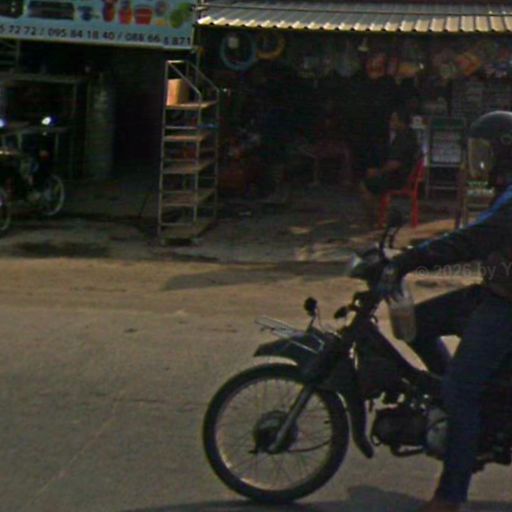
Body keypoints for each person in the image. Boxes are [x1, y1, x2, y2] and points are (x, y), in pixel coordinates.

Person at [376, 110, 512, 512]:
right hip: (494, 290)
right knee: (418, 322)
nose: (480, 160)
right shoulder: (505, 190)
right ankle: (448, 394)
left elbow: (472, 240)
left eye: (485, 151)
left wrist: (411, 260)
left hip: (507, 304)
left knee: (461, 389)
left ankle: (450, 496)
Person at [360, 107, 419, 226]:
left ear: (401, 122)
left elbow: (395, 164)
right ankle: (380, 215)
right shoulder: (410, 135)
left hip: (398, 178)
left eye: (393, 120)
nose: (390, 122)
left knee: (365, 185)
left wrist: (378, 172)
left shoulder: (403, 138)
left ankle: (372, 219)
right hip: (402, 175)